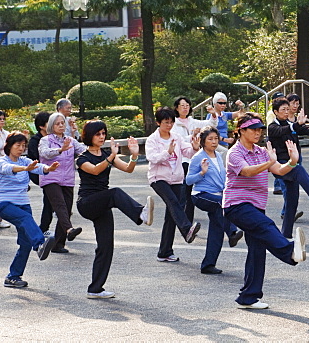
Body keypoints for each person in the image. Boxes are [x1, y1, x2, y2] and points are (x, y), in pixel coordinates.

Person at [223, 114, 308, 310]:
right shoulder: (234, 153)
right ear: (241, 131)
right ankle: (290, 252)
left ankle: (248, 298)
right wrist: (269, 163)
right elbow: (248, 172)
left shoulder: (262, 151)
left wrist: (293, 161)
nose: (257, 132)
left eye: (260, 129)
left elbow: (279, 169)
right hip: (236, 205)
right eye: (253, 129)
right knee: (267, 225)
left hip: (256, 206)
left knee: (257, 250)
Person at [76, 120, 155, 299]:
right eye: (98, 134)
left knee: (106, 246)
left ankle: (95, 288)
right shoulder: (82, 158)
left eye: (103, 133)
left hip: (103, 203)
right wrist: (111, 157)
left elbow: (128, 169)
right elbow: (95, 170)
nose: (102, 137)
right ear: (89, 136)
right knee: (115, 193)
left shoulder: (106, 154)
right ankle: (140, 213)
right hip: (87, 203)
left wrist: (134, 155)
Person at [0, 132, 60, 288]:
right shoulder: (1, 161)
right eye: (18, 145)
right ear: (9, 146)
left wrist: (48, 168)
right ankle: (39, 243)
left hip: (23, 204)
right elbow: (8, 168)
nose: (21, 148)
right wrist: (25, 168)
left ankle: (13, 276)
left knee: (24, 243)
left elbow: (37, 167)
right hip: (5, 204)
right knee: (26, 219)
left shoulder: (25, 160)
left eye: (23, 145)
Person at [147, 106, 202, 263]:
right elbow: (153, 158)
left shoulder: (176, 137)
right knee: (173, 202)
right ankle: (186, 229)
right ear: (158, 123)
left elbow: (188, 153)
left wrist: (195, 147)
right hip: (159, 178)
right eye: (166, 122)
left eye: (171, 122)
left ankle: (164, 252)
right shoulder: (153, 139)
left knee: (171, 215)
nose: (169, 125)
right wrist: (168, 152)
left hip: (176, 178)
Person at [186, 127, 244, 274]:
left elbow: (223, 176)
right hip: (201, 195)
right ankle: (231, 233)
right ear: (203, 141)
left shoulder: (218, 155)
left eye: (216, 139)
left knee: (216, 228)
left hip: (217, 196)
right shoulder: (198, 157)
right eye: (210, 139)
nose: (213, 142)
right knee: (221, 204)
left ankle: (208, 265)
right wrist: (202, 172)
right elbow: (188, 180)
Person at [267, 96, 309, 239]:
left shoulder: (290, 123)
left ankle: (285, 235)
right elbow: (284, 130)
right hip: (279, 165)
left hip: (291, 163)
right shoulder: (272, 127)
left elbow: (305, 130)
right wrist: (295, 125)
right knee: (298, 168)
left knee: (292, 201)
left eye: (288, 109)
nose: (287, 112)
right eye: (283, 109)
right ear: (275, 111)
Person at [38, 113, 87, 253]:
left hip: (67, 179)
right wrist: (60, 150)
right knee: (60, 206)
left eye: (62, 123)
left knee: (66, 209)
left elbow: (83, 150)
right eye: (57, 123)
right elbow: (45, 153)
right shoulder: (45, 140)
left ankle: (58, 244)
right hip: (50, 178)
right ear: (51, 126)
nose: (61, 125)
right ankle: (69, 229)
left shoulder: (70, 140)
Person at [28, 111, 54, 234]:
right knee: (50, 199)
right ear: (41, 126)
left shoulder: (54, 137)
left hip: (54, 172)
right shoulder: (35, 141)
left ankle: (45, 228)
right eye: (50, 123)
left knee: (52, 200)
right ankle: (44, 229)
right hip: (39, 173)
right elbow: (35, 160)